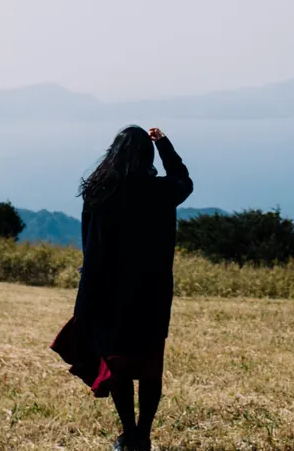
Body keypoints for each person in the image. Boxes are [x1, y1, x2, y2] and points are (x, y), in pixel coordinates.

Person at [50, 125, 193, 451]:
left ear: (114, 153)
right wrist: (165, 145)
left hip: (110, 297)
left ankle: (129, 433)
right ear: (147, 156)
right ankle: (142, 435)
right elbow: (185, 181)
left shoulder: (100, 194)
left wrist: (83, 307)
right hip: (153, 296)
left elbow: (92, 251)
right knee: (150, 368)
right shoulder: (160, 192)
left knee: (121, 366)